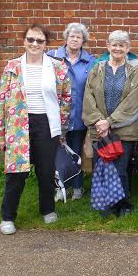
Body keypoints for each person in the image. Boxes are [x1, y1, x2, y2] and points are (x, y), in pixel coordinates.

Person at [0, 24, 72, 235]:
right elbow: (1, 102)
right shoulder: (12, 67)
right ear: (24, 41)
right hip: (18, 125)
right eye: (30, 39)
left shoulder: (57, 67)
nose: (34, 44)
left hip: (46, 123)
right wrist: (0, 134)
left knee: (46, 170)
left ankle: (47, 209)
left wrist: (61, 128)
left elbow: (66, 99)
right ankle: (7, 217)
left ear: (46, 44)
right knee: (17, 173)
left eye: (39, 40)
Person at [82, 30, 138, 217]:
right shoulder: (97, 69)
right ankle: (106, 205)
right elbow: (88, 97)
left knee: (119, 170)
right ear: (108, 46)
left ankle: (123, 205)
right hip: (99, 130)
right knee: (101, 168)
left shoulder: (134, 72)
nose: (117, 48)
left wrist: (109, 122)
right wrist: (98, 122)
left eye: (121, 45)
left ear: (128, 48)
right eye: (114, 45)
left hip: (124, 130)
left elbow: (133, 102)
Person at [48, 22, 96, 200]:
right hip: (57, 114)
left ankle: (77, 187)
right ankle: (61, 187)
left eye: (79, 37)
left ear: (83, 41)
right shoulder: (52, 57)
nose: (75, 39)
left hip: (79, 115)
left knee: (76, 150)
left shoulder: (91, 61)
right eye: (72, 36)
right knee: (59, 151)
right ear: (66, 38)